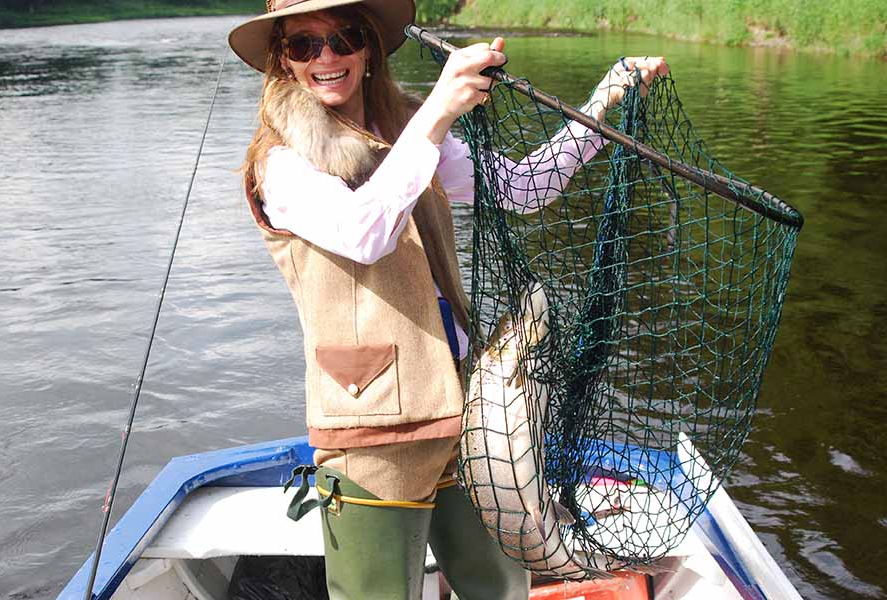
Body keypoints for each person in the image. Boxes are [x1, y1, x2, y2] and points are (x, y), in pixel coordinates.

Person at [228, 1, 668, 598]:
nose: (327, 58)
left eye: (344, 38)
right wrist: (437, 109)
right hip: (373, 433)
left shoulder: (407, 134)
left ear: (369, 49)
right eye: (305, 45)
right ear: (283, 58)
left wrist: (601, 103)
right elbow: (365, 233)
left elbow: (522, 188)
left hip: (462, 411)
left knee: (502, 588)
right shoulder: (278, 165)